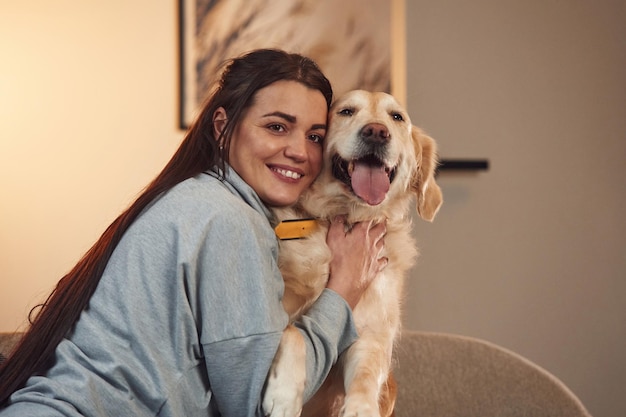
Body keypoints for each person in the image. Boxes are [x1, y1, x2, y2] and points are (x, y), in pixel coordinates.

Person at [0, 49, 387, 416]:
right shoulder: (229, 220)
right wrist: (343, 290)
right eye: (277, 127)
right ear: (223, 127)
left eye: (314, 136)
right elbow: (257, 406)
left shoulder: (194, 197)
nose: (299, 151)